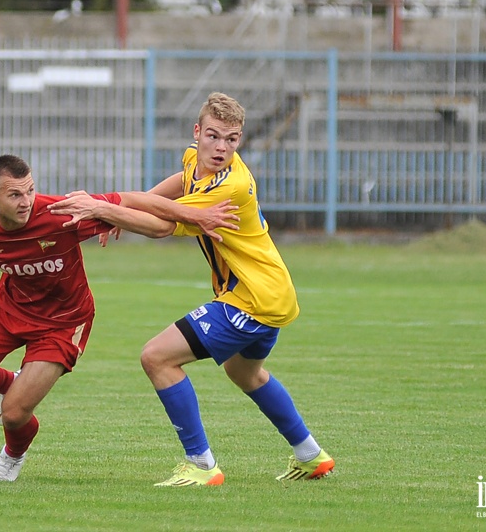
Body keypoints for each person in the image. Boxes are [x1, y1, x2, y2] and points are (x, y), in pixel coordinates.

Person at [49, 91, 334, 487]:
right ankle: (310, 455)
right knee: (245, 374)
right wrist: (129, 210)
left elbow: (165, 226)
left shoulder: (230, 186)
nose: (221, 148)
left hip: (252, 300)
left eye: (232, 139)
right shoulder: (194, 161)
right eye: (214, 136)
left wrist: (105, 207)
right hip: (269, 295)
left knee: (157, 358)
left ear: (240, 139)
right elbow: (171, 190)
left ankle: (201, 464)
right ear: (197, 132)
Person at [0, 154, 237, 482]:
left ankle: (12, 456)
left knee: (13, 414)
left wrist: (195, 215)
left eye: (30, 191)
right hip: (8, 309)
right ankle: (12, 381)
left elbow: (133, 200)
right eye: (14, 195)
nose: (26, 202)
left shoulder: (61, 214)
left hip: (63, 322)